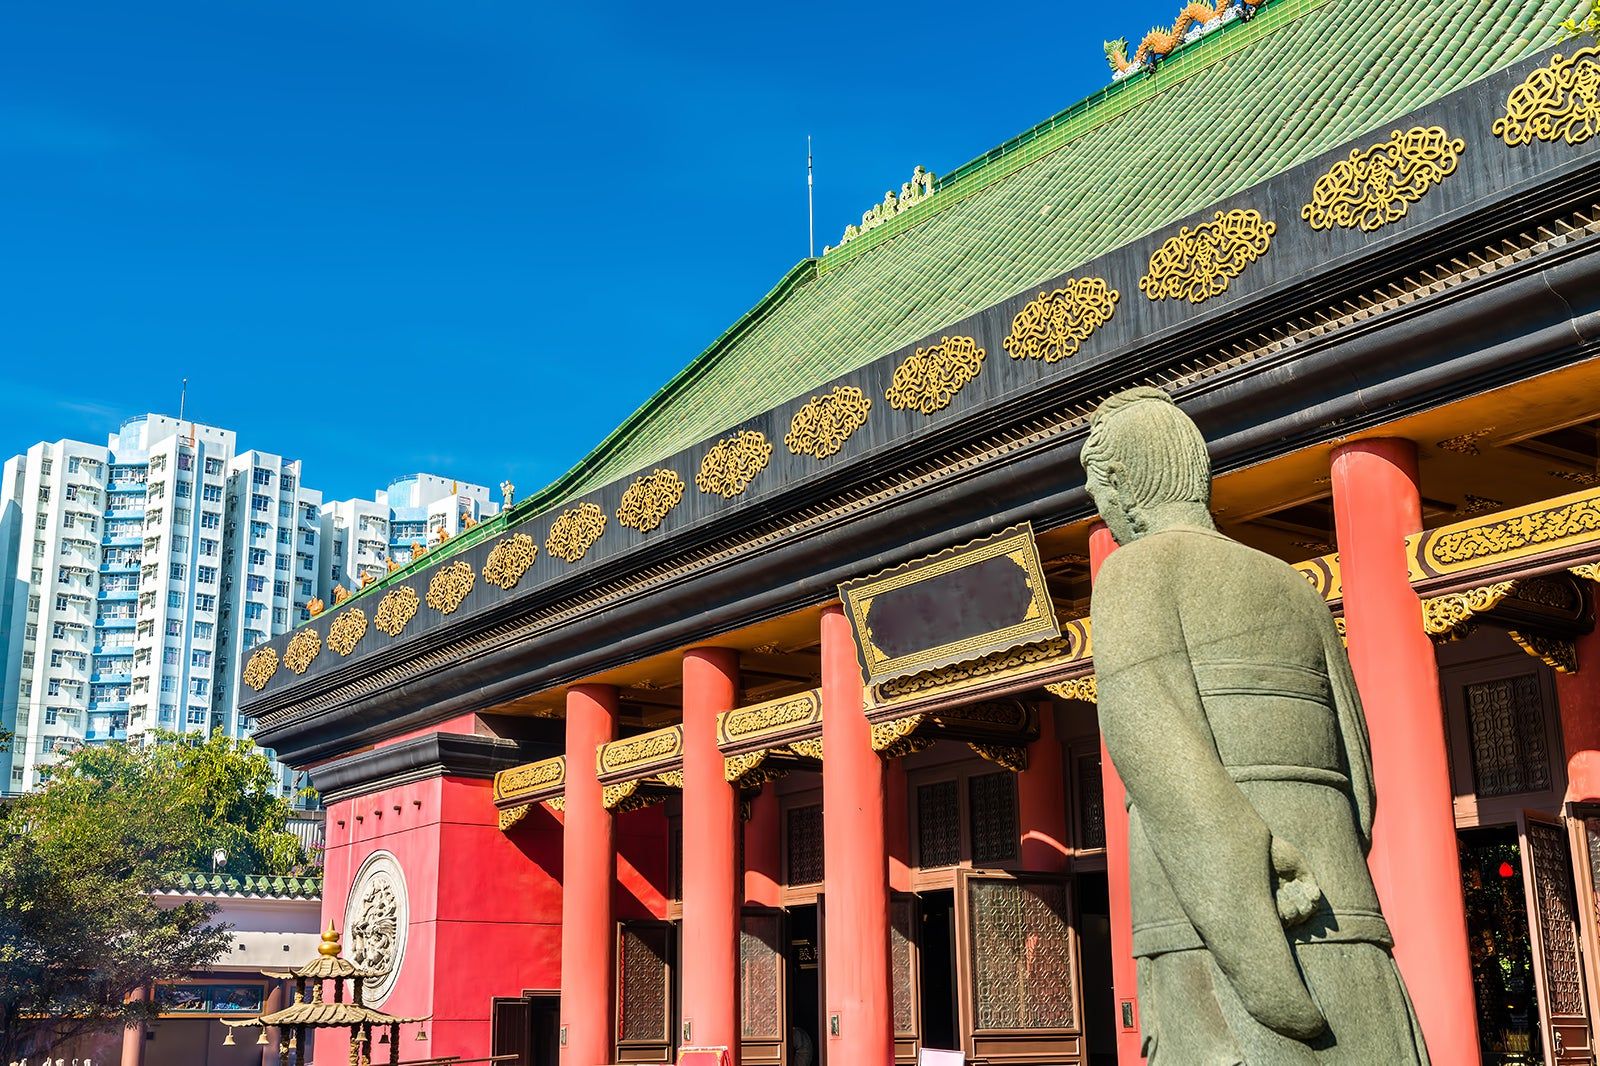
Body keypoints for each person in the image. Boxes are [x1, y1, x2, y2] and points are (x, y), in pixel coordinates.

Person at [1083, 387, 1427, 1064]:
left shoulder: (1135, 573)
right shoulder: (1294, 587)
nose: (1100, 508)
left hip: (1212, 921)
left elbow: (1157, 755)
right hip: (1339, 903)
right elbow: (1358, 770)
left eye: (1096, 487)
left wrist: (1249, 925)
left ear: (1122, 483)